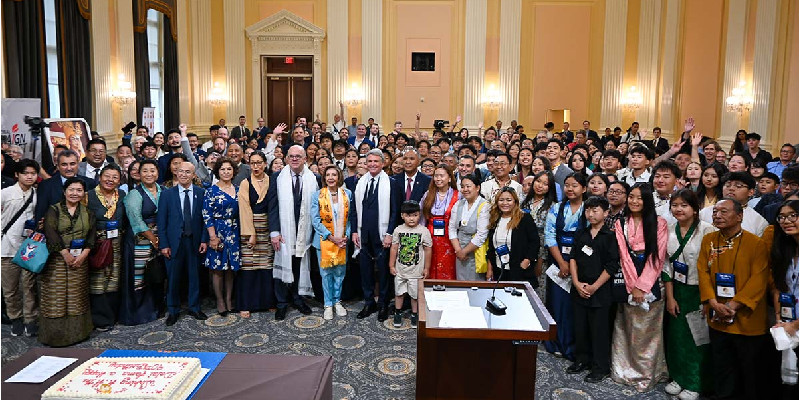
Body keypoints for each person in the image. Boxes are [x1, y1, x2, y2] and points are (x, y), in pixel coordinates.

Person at [697, 199, 772, 399]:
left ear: (739, 216)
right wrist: (712, 302)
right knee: (722, 366)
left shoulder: (757, 243)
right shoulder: (709, 240)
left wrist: (732, 305)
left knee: (749, 371)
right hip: (717, 315)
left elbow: (759, 278)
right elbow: (702, 271)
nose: (717, 215)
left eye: (723, 211)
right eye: (715, 211)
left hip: (747, 317)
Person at [611, 183, 669, 392]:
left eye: (640, 198)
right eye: (631, 197)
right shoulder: (621, 223)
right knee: (627, 328)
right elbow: (624, 256)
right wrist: (632, 285)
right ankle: (623, 370)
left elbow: (657, 257)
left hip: (651, 281)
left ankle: (647, 374)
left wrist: (642, 286)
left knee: (647, 333)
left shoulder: (659, 223)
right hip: (627, 280)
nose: (634, 202)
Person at [662, 189, 717, 399]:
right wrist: (670, 296)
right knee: (677, 337)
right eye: (675, 205)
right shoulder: (668, 229)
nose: (679, 209)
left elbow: (712, 267)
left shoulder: (707, 230)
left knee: (698, 338)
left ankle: (696, 382)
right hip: (677, 289)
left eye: (684, 205)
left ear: (695, 209)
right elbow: (666, 265)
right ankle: (679, 377)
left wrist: (708, 298)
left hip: (699, 291)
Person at [567, 196, 620, 383]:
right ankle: (582, 359)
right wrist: (575, 282)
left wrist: (595, 286)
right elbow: (572, 257)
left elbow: (613, 265)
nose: (591, 213)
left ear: (606, 213)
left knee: (599, 331)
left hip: (600, 291)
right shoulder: (581, 233)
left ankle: (600, 367)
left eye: (595, 210)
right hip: (579, 287)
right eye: (588, 210)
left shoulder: (610, 236)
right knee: (580, 327)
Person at [39, 178, 96, 346]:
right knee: (56, 298)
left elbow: (91, 236)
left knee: (76, 298)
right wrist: (65, 253)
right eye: (71, 190)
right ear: (64, 191)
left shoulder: (88, 212)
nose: (74, 193)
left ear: (83, 193)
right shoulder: (53, 210)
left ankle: (77, 335)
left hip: (80, 260)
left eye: (79, 190)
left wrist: (83, 256)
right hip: (56, 259)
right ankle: (56, 337)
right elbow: (50, 231)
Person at [267, 145, 317, 320]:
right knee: (282, 263)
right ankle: (281, 303)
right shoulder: (276, 177)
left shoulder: (313, 178)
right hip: (283, 230)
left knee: (298, 264)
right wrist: (274, 231)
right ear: (287, 158)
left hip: (304, 230)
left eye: (298, 156)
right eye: (291, 156)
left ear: (305, 159)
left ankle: (297, 298)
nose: (294, 159)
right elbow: (272, 206)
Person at [157, 162, 209, 326]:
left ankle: (194, 307)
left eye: (188, 172)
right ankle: (173, 310)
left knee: (194, 276)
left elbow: (205, 220)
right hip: (173, 243)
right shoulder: (167, 194)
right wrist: (164, 244)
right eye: (181, 171)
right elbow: (162, 221)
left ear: (194, 175)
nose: (184, 174)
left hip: (194, 241)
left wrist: (204, 239)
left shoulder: (201, 193)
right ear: (176, 173)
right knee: (173, 277)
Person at [544, 172, 588, 360]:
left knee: (575, 307)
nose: (570, 189)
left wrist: (572, 264)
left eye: (575, 185)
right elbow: (550, 236)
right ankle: (555, 342)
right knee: (557, 303)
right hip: (558, 262)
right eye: (567, 185)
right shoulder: (556, 208)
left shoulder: (589, 209)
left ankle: (573, 346)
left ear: (584, 188)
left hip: (582, 262)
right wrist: (561, 263)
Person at [351, 149, 398, 321]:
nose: (372, 164)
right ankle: (369, 302)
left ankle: (384, 303)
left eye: (375, 161)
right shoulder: (360, 182)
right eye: (369, 161)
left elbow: (395, 211)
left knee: (384, 271)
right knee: (365, 270)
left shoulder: (391, 183)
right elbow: (354, 210)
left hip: (382, 234)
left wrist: (389, 233)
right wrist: (355, 230)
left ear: (383, 163)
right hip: (364, 233)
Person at [120, 160, 163, 325]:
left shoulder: (163, 190)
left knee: (155, 273)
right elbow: (136, 220)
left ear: (158, 172)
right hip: (140, 240)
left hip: (159, 239)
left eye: (153, 170)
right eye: (145, 171)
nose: (149, 174)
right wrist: (153, 238)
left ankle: (156, 308)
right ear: (139, 174)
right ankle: (140, 312)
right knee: (140, 276)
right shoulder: (134, 194)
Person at [1, 159, 40, 336]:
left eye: (33, 173)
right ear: (17, 175)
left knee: (29, 286)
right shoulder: (6, 193)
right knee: (10, 288)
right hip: (7, 246)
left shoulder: (37, 194)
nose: (30, 176)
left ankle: (30, 319)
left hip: (28, 247)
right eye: (26, 173)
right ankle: (15, 318)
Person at [86, 165, 126, 331]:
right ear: (100, 177)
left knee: (114, 278)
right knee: (98, 279)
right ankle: (100, 319)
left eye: (115, 177)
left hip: (118, 241)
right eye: (107, 176)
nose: (110, 180)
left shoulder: (122, 195)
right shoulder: (88, 196)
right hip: (98, 243)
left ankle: (112, 315)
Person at [237, 151, 277, 318]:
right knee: (249, 268)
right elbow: (244, 209)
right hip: (250, 228)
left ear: (265, 164)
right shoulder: (245, 183)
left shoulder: (272, 181)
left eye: (259, 163)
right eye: (252, 163)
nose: (256, 166)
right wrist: (251, 233)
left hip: (267, 228)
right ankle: (246, 304)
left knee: (266, 266)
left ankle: (267, 302)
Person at [310, 166, 353, 320]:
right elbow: (315, 220)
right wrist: (331, 237)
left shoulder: (347, 194)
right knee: (326, 274)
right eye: (328, 175)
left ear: (339, 176)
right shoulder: (317, 196)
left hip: (342, 241)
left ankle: (337, 301)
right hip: (323, 241)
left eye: (334, 174)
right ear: (324, 178)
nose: (331, 177)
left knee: (340, 273)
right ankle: (328, 304)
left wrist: (345, 236)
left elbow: (350, 219)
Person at [203, 157, 241, 317]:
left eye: (229, 169)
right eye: (223, 169)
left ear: (234, 171)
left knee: (231, 268)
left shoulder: (239, 189)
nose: (226, 172)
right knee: (218, 268)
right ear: (218, 172)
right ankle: (219, 301)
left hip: (234, 231)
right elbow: (206, 215)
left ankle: (229, 299)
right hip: (217, 231)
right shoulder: (211, 190)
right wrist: (212, 236)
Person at [771, 200, 799, 399]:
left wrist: (796, 324)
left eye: (793, 216)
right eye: (782, 217)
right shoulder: (786, 249)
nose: (786, 221)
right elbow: (780, 287)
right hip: (790, 324)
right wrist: (780, 317)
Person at [388, 200, 432, 328]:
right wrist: (391, 265)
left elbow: (428, 249)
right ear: (402, 216)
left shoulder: (423, 231)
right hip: (400, 270)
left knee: (415, 295)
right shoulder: (398, 230)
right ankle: (398, 312)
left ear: (420, 215)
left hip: (416, 271)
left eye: (415, 215)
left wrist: (427, 268)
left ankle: (414, 314)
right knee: (399, 293)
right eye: (408, 216)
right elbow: (394, 248)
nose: (412, 219)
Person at [487, 187, 539, 287]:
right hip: (499, 270)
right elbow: (491, 247)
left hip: (519, 270)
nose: (505, 203)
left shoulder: (524, 218)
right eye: (501, 200)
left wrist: (527, 261)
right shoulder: (495, 219)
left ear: (515, 201)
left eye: (509, 200)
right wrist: (490, 269)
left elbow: (535, 242)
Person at [35, 150, 97, 224]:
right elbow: (40, 214)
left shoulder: (90, 183)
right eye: (64, 165)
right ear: (57, 166)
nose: (69, 168)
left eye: (72, 164)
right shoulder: (46, 185)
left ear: (78, 164)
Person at [699, 172, 769, 236]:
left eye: (738, 186)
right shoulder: (705, 213)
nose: (731, 188)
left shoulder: (758, 221)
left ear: (751, 192)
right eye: (727, 185)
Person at [421, 164, 459, 280]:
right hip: (430, 237)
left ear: (449, 178)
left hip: (450, 238)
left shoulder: (458, 195)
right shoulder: (428, 194)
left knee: (448, 269)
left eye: (441, 176)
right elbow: (422, 217)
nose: (438, 179)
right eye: (436, 176)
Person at [449, 175, 490, 281]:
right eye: (462, 187)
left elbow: (481, 235)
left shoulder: (485, 206)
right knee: (461, 283)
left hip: (476, 249)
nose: (465, 190)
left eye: (468, 186)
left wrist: (465, 251)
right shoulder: (458, 204)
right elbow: (452, 228)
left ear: (477, 188)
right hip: (459, 250)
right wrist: (458, 250)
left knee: (476, 284)